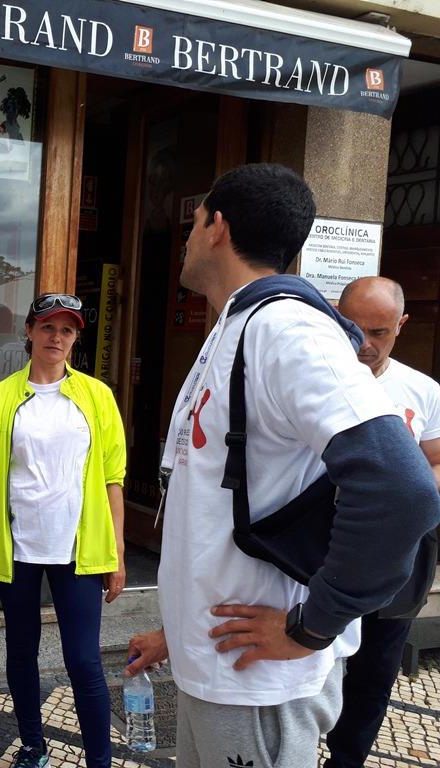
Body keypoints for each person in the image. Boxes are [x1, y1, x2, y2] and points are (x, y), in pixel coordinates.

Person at [125, 164, 440, 768]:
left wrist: (311, 625)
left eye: (194, 222)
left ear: (218, 227)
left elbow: (403, 490)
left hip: (259, 684)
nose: (187, 238)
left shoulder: (290, 330)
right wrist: (178, 632)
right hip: (217, 667)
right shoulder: (238, 324)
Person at [0, 293, 127, 768]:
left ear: (75, 339)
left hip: (78, 549)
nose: (57, 337)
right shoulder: (1, 398)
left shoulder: (97, 396)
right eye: (48, 327)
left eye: (67, 329)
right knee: (21, 652)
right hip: (18, 548)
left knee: (84, 660)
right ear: (29, 331)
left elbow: (113, 480)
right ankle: (33, 745)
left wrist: (116, 553)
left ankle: (99, 760)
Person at [325, 276, 440, 768]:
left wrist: (405, 501)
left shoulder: (422, 390)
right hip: (321, 548)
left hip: (396, 555)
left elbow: (435, 459)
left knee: (374, 671)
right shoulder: (316, 379)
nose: (365, 345)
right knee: (310, 661)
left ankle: (346, 761)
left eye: (380, 332)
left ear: (401, 326)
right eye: (354, 329)